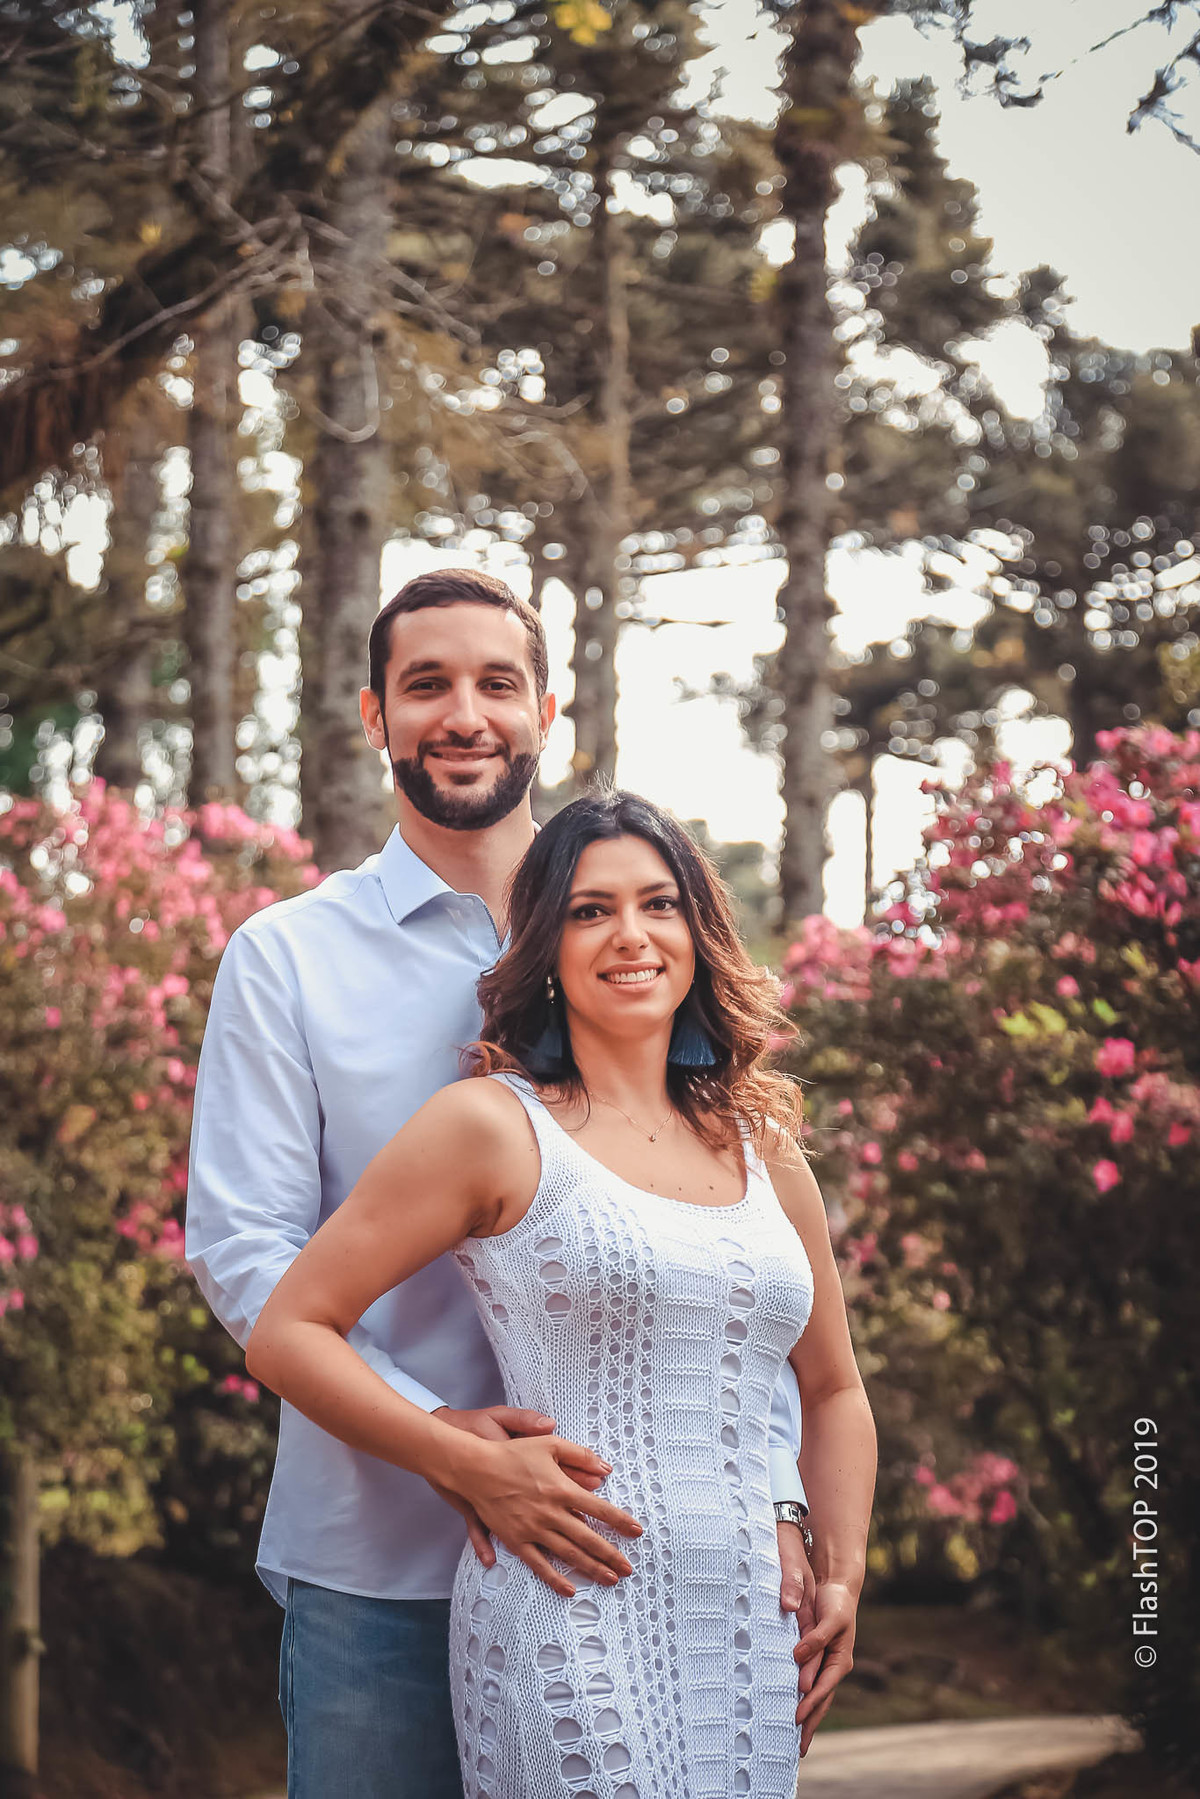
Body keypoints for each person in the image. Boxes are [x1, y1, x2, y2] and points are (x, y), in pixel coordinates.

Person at [185, 569, 818, 1799]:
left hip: (645, 1567)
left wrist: (776, 1496)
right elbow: (243, 1251)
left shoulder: (633, 928)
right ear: (375, 713)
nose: (462, 712)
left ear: (545, 711)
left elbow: (742, 1261)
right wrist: (441, 1442)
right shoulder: (287, 957)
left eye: (496, 682)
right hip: (381, 1556)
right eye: (426, 684)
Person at [245, 787, 877, 1799]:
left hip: (750, 1629)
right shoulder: (490, 1127)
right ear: (546, 942)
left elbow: (836, 1386)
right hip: (570, 1604)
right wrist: (458, 1458)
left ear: (698, 929)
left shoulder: (764, 1146)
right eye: (590, 910)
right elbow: (287, 1330)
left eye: (658, 903)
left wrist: (840, 1569)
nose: (630, 934)